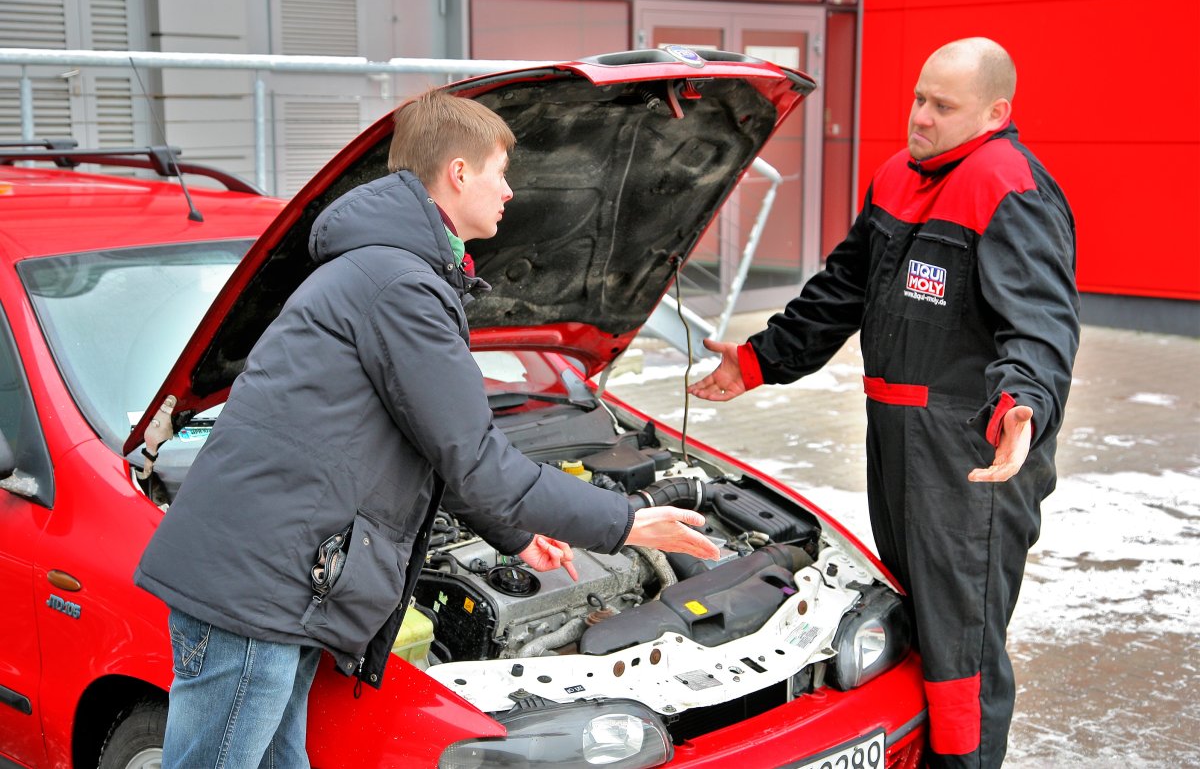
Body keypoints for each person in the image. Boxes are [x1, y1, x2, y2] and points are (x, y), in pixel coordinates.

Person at [135, 89, 719, 768]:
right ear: (460, 173)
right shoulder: (397, 284)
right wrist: (623, 519)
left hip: (275, 584)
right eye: (500, 171)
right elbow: (473, 456)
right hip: (255, 589)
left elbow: (439, 449)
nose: (509, 191)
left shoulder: (394, 273)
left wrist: (520, 533)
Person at [690, 38, 1078, 768]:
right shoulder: (898, 176)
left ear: (996, 113)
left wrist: (1024, 404)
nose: (920, 116)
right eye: (918, 97)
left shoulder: (1008, 186)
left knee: (962, 646)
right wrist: (758, 360)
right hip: (898, 439)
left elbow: (1041, 323)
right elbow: (842, 288)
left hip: (972, 454)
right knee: (916, 625)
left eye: (942, 106)